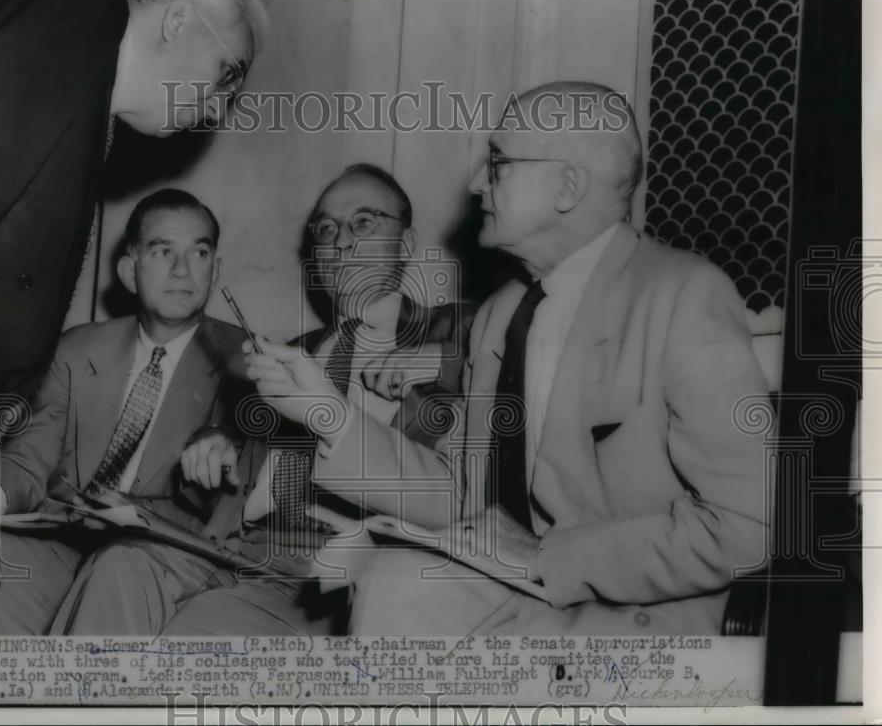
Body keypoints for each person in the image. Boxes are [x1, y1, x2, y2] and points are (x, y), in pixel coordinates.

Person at [245, 83, 771, 635]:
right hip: (517, 588)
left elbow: (751, 522)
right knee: (391, 580)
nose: (475, 184)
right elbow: (461, 494)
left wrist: (550, 558)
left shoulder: (682, 295)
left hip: (639, 611)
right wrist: (325, 412)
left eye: (497, 164)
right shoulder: (500, 314)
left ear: (567, 186)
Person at [0, 0, 265, 540]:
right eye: (228, 74)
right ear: (178, 21)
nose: (221, 106)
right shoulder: (83, 8)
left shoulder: (86, 92)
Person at [51, 164, 475, 636]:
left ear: (408, 244)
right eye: (326, 229)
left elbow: (523, 353)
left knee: (197, 634)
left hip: (340, 572)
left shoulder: (460, 331)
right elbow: (219, 483)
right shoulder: (290, 353)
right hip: (239, 549)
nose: (340, 242)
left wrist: (438, 358)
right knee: (118, 568)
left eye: (363, 223)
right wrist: (215, 447)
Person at [0, 189, 249, 635]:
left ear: (215, 269)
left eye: (198, 252)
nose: (182, 270)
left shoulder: (247, 360)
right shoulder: (77, 348)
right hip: (68, 541)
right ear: (130, 271)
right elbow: (30, 453)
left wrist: (220, 444)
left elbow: (245, 463)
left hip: (165, 557)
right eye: (163, 250)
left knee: (115, 568)